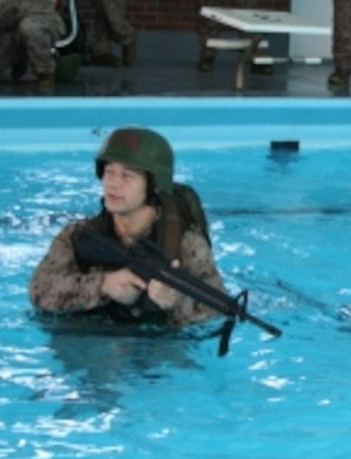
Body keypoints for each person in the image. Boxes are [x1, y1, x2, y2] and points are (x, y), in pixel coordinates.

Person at [30, 127, 226, 328]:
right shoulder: (77, 236)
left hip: (156, 346)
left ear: (154, 186)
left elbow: (217, 309)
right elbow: (39, 291)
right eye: (109, 172)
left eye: (127, 175)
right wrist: (103, 285)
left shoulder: (185, 243)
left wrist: (176, 303)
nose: (113, 184)